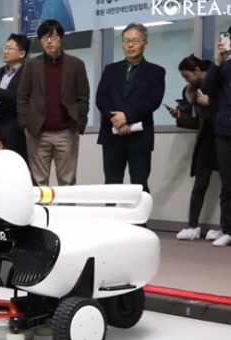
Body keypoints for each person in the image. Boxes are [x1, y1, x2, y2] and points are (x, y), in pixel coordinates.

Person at [17, 19, 90, 187]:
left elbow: (83, 97)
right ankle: (41, 213)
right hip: (37, 132)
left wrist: (80, 123)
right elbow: (22, 96)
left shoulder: (76, 65)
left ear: (62, 38)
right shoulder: (31, 65)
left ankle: (67, 214)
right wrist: (25, 124)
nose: (49, 41)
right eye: (44, 38)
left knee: (67, 181)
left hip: (67, 132)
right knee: (38, 181)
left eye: (54, 37)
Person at [95, 23, 165, 196]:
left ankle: (139, 223)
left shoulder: (156, 72)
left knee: (139, 184)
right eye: (126, 41)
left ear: (145, 44)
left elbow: (153, 101)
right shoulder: (110, 70)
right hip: (112, 133)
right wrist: (117, 120)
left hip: (139, 135)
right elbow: (101, 98)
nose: (130, 45)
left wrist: (127, 116)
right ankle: (111, 221)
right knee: (112, 183)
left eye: (135, 40)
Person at [169, 55, 221, 241]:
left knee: (227, 187)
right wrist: (179, 117)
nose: (186, 81)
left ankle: (225, 228)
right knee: (200, 184)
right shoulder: (192, 91)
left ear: (198, 71)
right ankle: (192, 225)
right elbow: (199, 122)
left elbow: (225, 106)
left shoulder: (219, 82)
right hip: (206, 139)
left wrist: (211, 103)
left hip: (223, 137)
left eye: (187, 76)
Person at [202, 25, 231, 247]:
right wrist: (219, 60)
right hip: (224, 130)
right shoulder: (224, 66)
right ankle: (227, 229)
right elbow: (207, 88)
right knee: (227, 183)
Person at [0, 33, 30, 162]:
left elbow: (17, 99)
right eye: (5, 48)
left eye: (9, 48)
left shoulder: (28, 74)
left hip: (13, 131)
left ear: (21, 54)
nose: (5, 51)